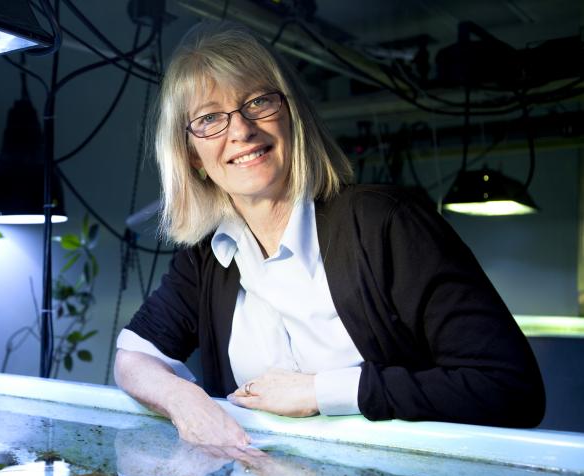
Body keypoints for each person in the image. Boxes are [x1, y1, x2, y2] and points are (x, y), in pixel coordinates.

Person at [113, 23, 545, 446]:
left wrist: (322, 392)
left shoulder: (385, 223)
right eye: (210, 119)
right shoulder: (207, 257)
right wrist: (183, 398)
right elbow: (133, 357)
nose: (241, 130)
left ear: (291, 115)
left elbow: (510, 388)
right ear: (192, 156)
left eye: (258, 102)